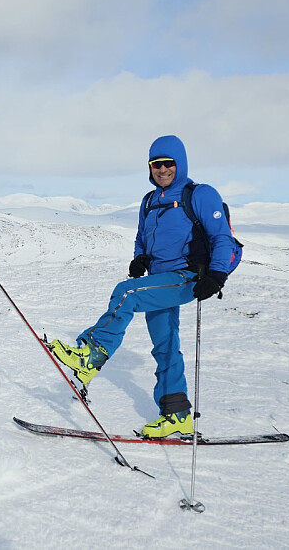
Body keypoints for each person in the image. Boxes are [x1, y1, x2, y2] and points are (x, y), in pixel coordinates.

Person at [48, 134, 238, 439]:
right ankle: (176, 415)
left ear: (180, 164)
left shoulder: (200, 194)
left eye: (168, 163)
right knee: (165, 347)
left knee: (126, 292)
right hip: (159, 280)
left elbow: (221, 238)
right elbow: (142, 237)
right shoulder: (149, 201)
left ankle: (90, 355)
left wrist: (217, 275)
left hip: (191, 277)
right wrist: (140, 258)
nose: (162, 169)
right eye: (155, 164)